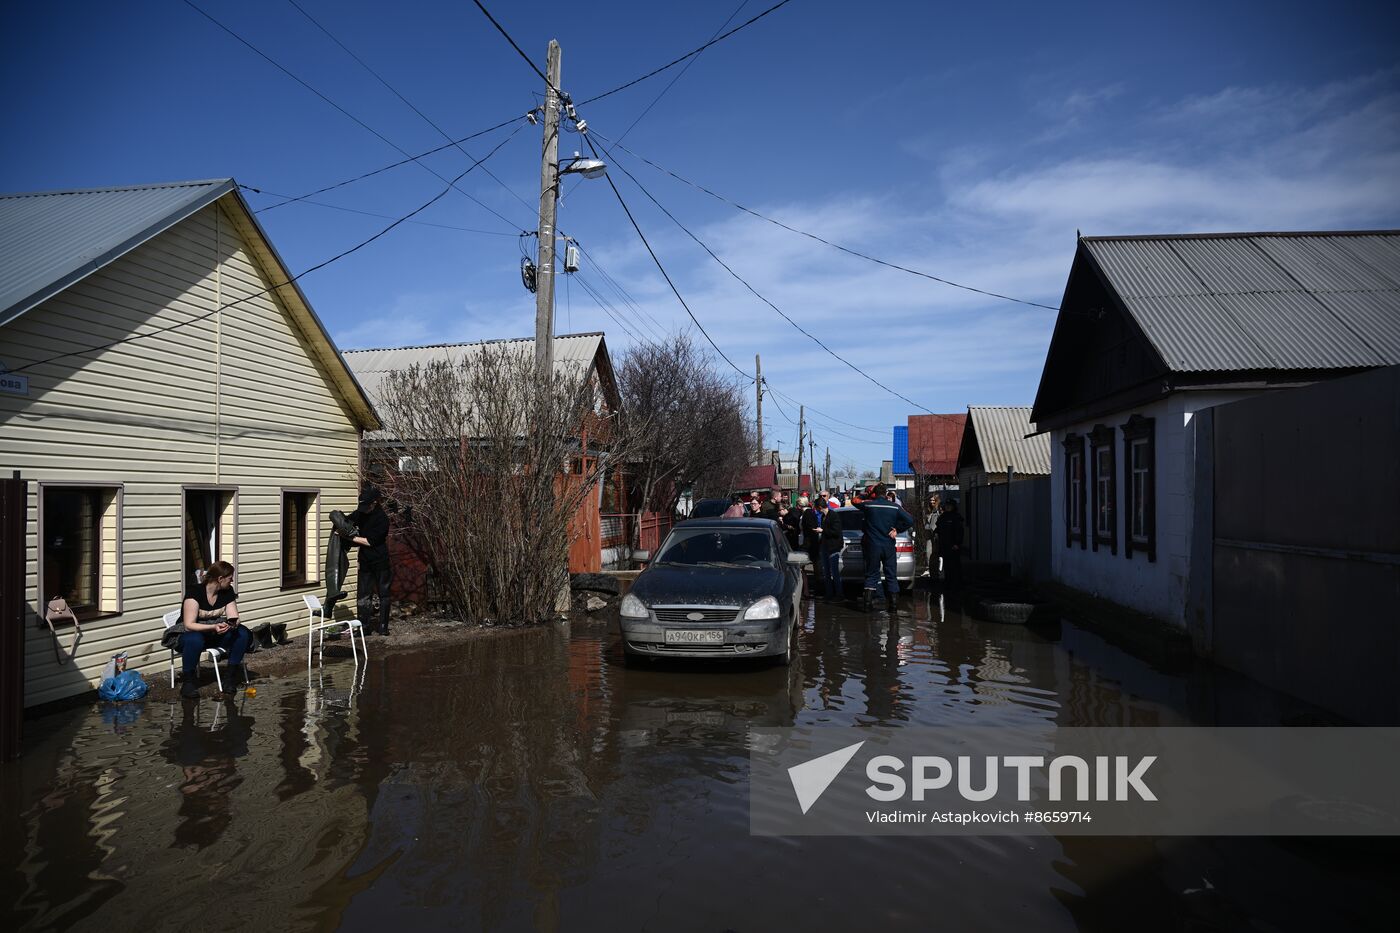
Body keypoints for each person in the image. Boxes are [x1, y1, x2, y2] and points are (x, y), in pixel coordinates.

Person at [170, 559, 251, 699]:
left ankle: (230, 678)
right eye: (230, 578)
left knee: (242, 633)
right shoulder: (195, 592)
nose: (231, 581)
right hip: (190, 634)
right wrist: (214, 626)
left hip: (214, 633)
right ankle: (188, 682)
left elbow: (234, 616)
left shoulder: (227, 591)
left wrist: (231, 624)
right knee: (195, 638)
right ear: (220, 578)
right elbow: (189, 624)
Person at [856, 483, 913, 613]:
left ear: (874, 494)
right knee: (891, 575)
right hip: (888, 546)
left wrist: (866, 494)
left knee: (871, 575)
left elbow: (855, 501)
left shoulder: (868, 505)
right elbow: (910, 520)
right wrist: (897, 530)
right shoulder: (895, 507)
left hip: (873, 547)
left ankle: (867, 605)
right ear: (886, 494)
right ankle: (893, 606)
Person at [351, 486, 393, 635]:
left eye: (366, 505)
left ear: (374, 503)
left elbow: (371, 541)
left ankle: (383, 626)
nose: (363, 509)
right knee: (363, 595)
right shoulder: (360, 513)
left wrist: (352, 538)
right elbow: (349, 520)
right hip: (365, 561)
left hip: (380, 561)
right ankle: (364, 626)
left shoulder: (382, 519)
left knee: (384, 594)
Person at [936, 499, 966, 592]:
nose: (948, 507)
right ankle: (948, 584)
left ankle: (957, 584)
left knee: (955, 565)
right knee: (946, 566)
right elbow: (938, 529)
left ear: (953, 506)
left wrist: (957, 543)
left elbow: (960, 531)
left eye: (950, 505)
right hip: (944, 545)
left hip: (953, 546)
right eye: (947, 505)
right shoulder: (942, 517)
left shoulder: (956, 517)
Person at [818, 498, 845, 600]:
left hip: (833, 547)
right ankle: (829, 593)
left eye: (817, 508)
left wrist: (822, 530)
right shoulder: (824, 516)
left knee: (834, 572)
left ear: (820, 507)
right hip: (825, 546)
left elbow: (836, 532)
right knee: (826, 572)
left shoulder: (833, 515)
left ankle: (839, 594)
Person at [924, 493, 942, 576]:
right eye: (930, 500)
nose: (932, 502)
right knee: (928, 553)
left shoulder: (939, 511)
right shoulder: (927, 510)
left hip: (936, 536)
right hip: (928, 535)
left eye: (933, 500)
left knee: (935, 554)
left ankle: (936, 573)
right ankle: (931, 572)